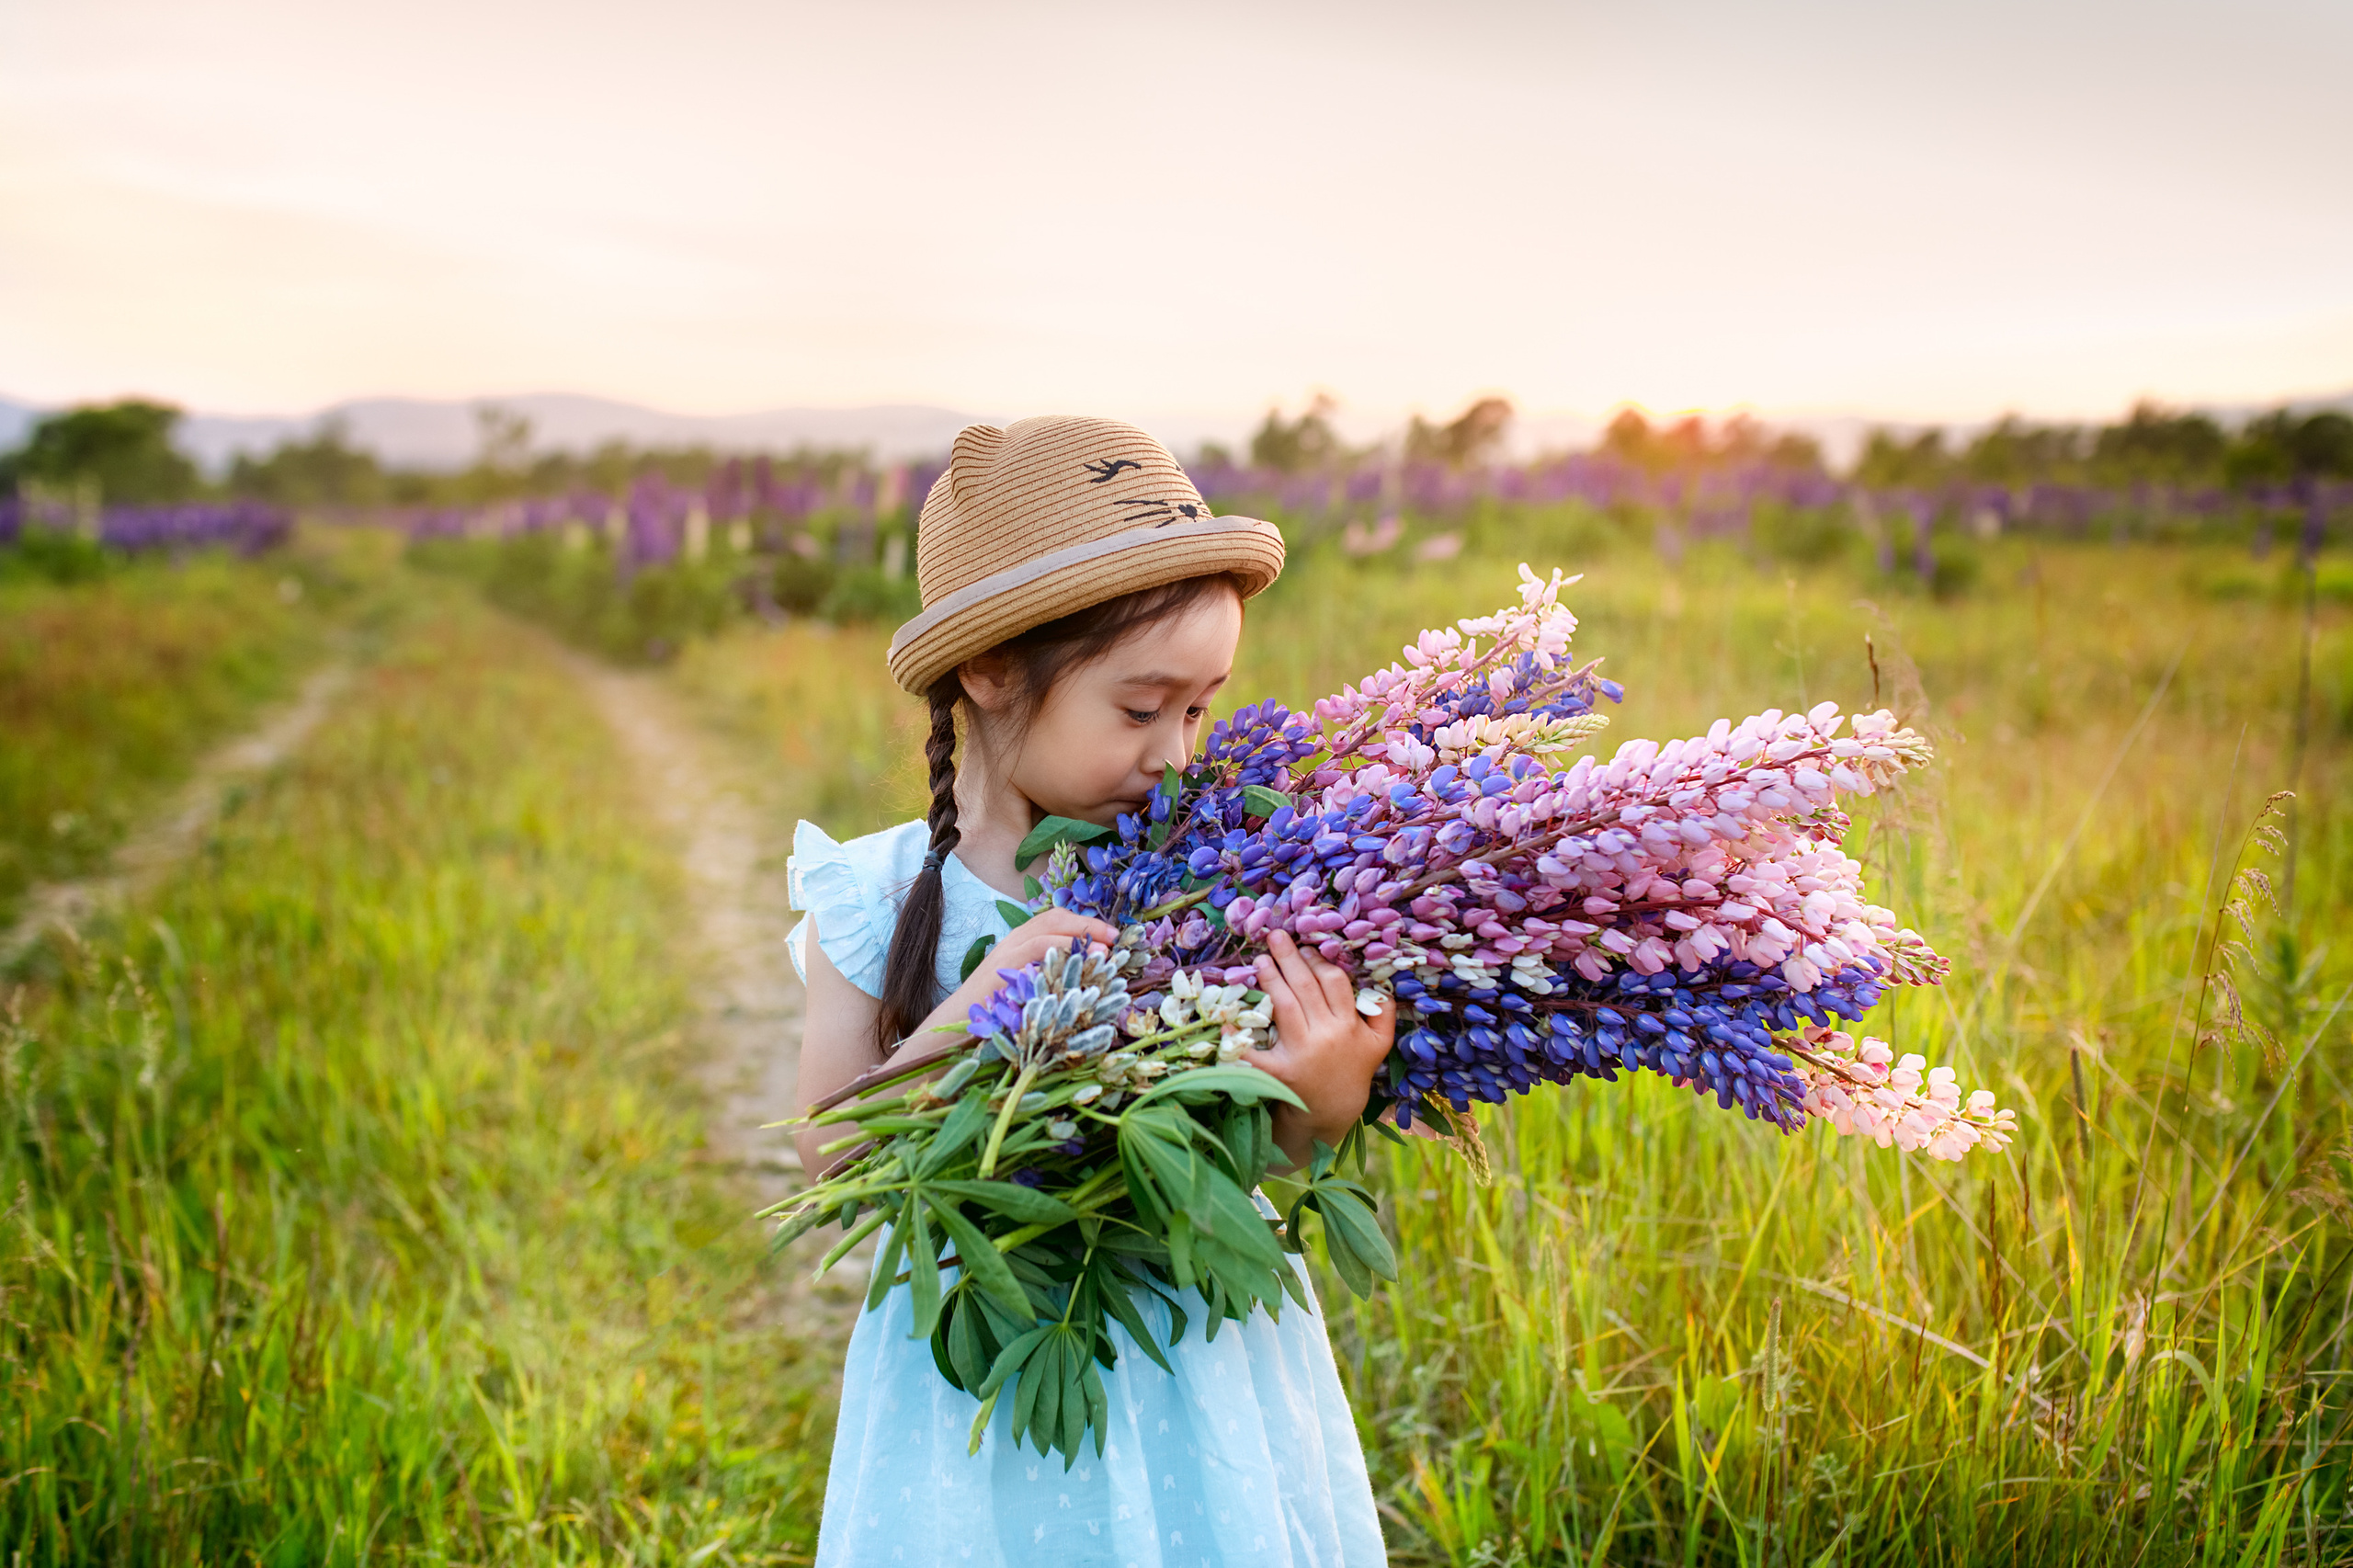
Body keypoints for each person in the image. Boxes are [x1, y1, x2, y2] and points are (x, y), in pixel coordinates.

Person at [785, 415, 1393, 1566]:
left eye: (1200, 708)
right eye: (1138, 706)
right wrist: (986, 1009)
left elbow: (1218, 1148)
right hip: (990, 1360)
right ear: (993, 666)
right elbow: (832, 1164)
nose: (1175, 752)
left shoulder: (1205, 875)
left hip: (1198, 1353)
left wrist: (1316, 1108)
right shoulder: (869, 891)